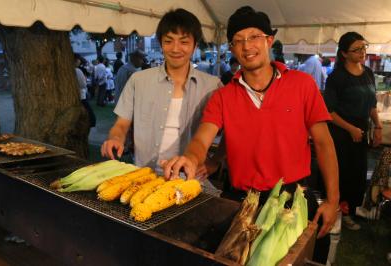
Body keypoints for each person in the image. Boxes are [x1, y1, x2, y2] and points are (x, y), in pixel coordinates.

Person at [162, 6, 339, 263]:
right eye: (238, 41)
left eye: (254, 37)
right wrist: (191, 158)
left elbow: (324, 145)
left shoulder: (302, 85)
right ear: (232, 49)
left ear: (269, 40)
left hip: (292, 199)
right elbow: (202, 138)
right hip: (241, 200)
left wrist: (333, 200)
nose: (247, 46)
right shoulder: (223, 96)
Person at [101, 8, 222, 177]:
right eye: (168, 41)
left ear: (195, 45)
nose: (175, 48)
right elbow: (121, 125)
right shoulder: (139, 80)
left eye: (184, 42)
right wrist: (115, 138)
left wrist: (215, 160)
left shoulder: (212, 86)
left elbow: (232, 131)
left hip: (188, 179)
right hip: (143, 174)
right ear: (160, 42)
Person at [324, 32, 382, 230]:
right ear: (343, 54)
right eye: (356, 50)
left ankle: (353, 207)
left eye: (363, 47)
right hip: (342, 132)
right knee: (343, 172)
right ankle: (340, 212)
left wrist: (378, 126)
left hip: (362, 129)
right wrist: (350, 129)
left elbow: (372, 103)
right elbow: (329, 112)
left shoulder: (368, 73)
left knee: (358, 171)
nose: (362, 52)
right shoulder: (337, 77)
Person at [74, 53, 96, 128]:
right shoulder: (77, 71)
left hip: (75, 95)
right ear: (76, 60)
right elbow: (83, 84)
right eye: (79, 60)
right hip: (81, 95)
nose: (79, 61)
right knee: (91, 116)